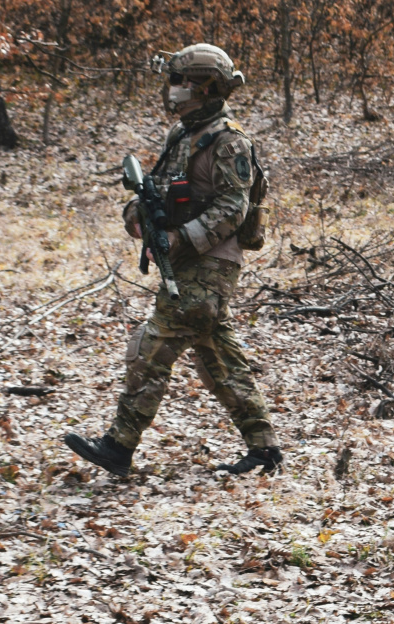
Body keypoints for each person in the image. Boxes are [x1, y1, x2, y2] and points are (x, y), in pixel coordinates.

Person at [63, 44, 281, 478]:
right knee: (218, 358)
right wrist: (138, 218)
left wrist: (179, 238)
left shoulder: (228, 140)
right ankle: (264, 449)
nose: (175, 90)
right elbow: (158, 191)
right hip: (188, 263)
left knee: (151, 349)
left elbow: (233, 209)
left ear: (204, 87)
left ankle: (118, 447)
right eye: (174, 81)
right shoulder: (182, 135)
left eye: (182, 81)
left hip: (212, 263)